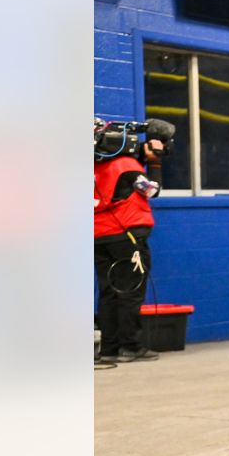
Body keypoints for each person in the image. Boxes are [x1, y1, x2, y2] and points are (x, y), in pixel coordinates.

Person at [94, 120, 166, 364]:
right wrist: (155, 162)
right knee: (130, 291)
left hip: (99, 236)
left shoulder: (94, 167)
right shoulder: (126, 165)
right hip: (127, 235)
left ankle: (108, 350)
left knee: (108, 293)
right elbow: (150, 190)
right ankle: (130, 346)